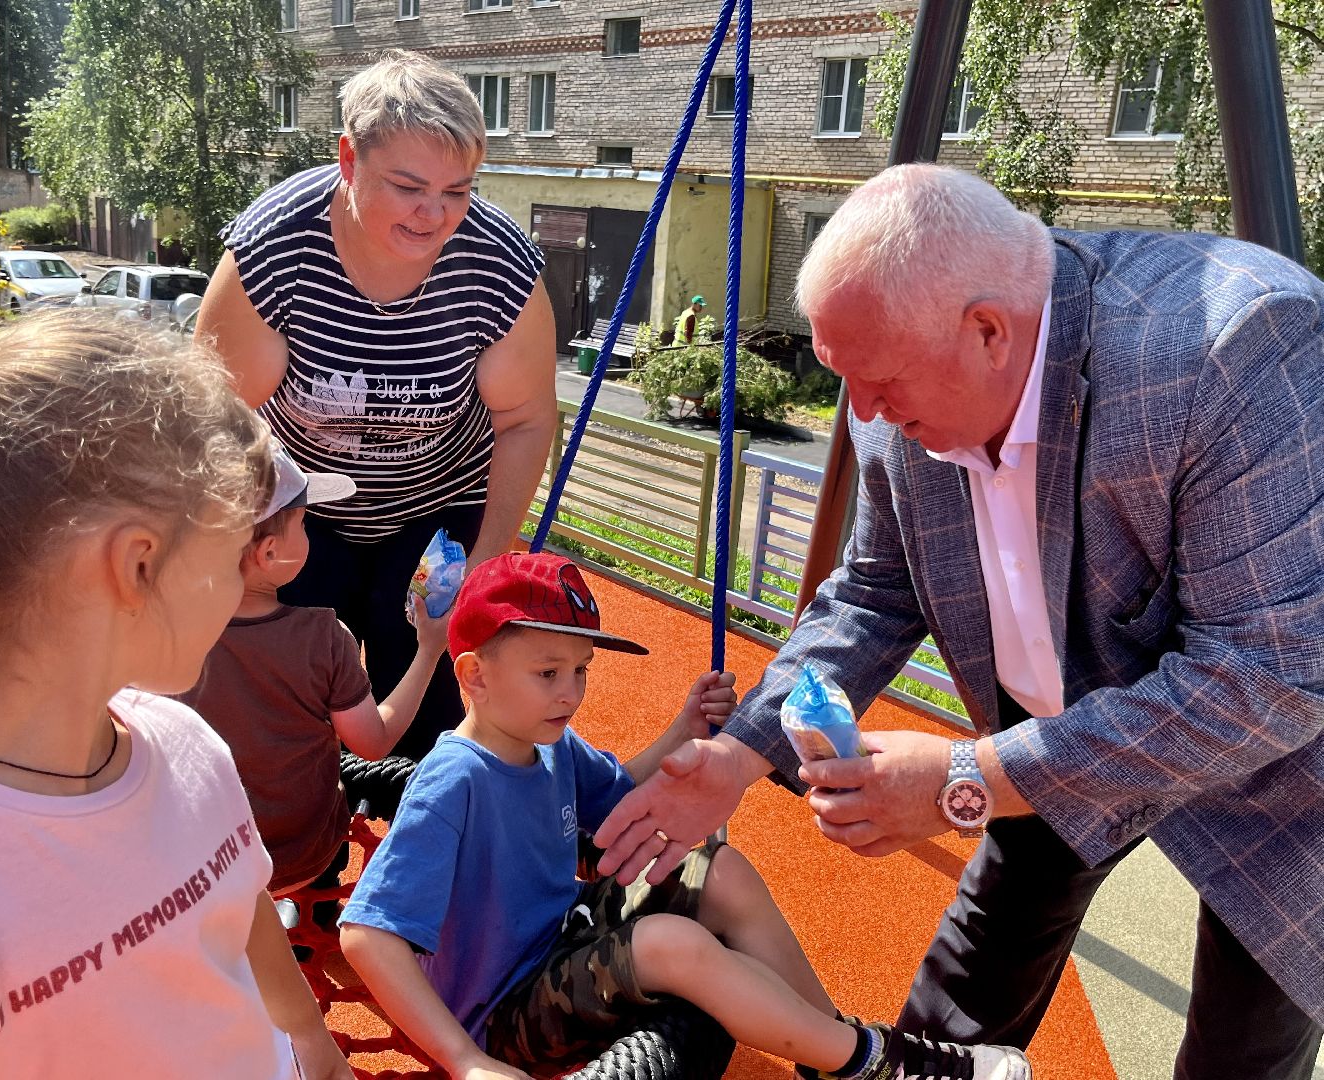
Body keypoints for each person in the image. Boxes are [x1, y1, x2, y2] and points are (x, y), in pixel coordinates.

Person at [594, 163, 1324, 1079]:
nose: (859, 413)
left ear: (988, 330)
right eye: (840, 376)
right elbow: (871, 592)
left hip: (1280, 766)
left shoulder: (1231, 345)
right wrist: (740, 755)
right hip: (1058, 730)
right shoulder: (899, 394)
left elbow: (1273, 678)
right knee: (951, 1024)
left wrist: (963, 777)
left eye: (876, 379)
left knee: (1242, 1056)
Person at [337, 552, 1032, 1080]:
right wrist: (463, 1060)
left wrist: (686, 728)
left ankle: (832, 1047)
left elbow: (624, 793)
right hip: (503, 1012)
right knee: (670, 942)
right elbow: (366, 936)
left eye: (580, 671)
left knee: (719, 869)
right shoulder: (452, 780)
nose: (570, 692)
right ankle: (873, 1060)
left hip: (560, 940)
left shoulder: (547, 746)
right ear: (474, 676)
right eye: (548, 673)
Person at [0, 311, 352, 1078]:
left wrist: (316, 1045)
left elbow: (243, 914)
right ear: (137, 566)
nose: (242, 583)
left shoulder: (188, 743)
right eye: (232, 552)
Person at [194, 48, 556, 763]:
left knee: (434, 702)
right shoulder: (274, 248)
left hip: (436, 512)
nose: (434, 215)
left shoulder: (498, 264)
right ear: (348, 160)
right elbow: (214, 419)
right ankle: (306, 853)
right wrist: (231, 548)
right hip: (299, 507)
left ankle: (424, 848)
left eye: (458, 191)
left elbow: (524, 419)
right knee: (283, 699)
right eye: (409, 186)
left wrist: (484, 567)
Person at [176, 440, 451, 895]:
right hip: (298, 854)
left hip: (201, 860)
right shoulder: (322, 635)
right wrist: (428, 651)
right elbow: (372, 743)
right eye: (304, 524)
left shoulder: (168, 634)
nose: (309, 536)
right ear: (268, 554)